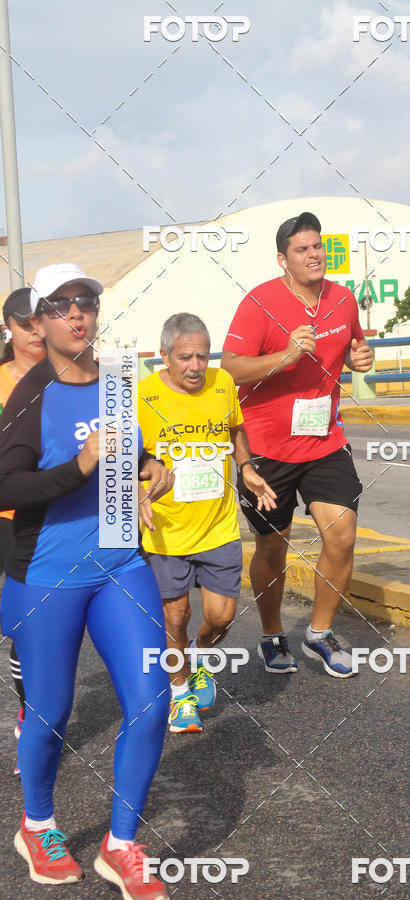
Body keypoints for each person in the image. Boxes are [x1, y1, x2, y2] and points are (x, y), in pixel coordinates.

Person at [0, 263, 173, 899]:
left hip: (121, 563)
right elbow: (6, 485)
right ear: (41, 321)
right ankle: (37, 824)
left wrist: (154, 469)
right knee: (48, 713)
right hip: (48, 573)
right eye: (62, 305)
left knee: (154, 699)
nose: (78, 314)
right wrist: (78, 465)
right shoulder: (31, 393)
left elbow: (134, 451)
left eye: (87, 303)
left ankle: (121, 843)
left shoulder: (121, 382)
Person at [221, 211, 374, 678]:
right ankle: (271, 633)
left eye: (317, 246)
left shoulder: (343, 298)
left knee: (342, 534)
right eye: (302, 249)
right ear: (283, 259)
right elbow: (230, 369)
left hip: (325, 438)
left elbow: (356, 347)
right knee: (273, 547)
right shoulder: (259, 302)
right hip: (266, 446)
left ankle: (320, 634)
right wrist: (286, 355)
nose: (313, 255)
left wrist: (363, 357)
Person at [138, 312, 276, 733]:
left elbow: (235, 430)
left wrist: (247, 467)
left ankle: (197, 661)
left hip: (217, 526)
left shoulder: (222, 385)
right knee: (174, 616)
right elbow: (124, 454)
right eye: (185, 357)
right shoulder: (142, 395)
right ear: (164, 356)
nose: (196, 366)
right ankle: (180, 695)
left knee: (221, 617)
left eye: (202, 355)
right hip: (166, 529)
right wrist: (137, 485)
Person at [0, 287, 46, 772]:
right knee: (24, 621)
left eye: (41, 321)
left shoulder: (68, 378)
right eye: (26, 323)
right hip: (9, 519)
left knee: (43, 622)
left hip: (60, 515)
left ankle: (36, 709)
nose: (35, 331)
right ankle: (31, 710)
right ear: (9, 328)